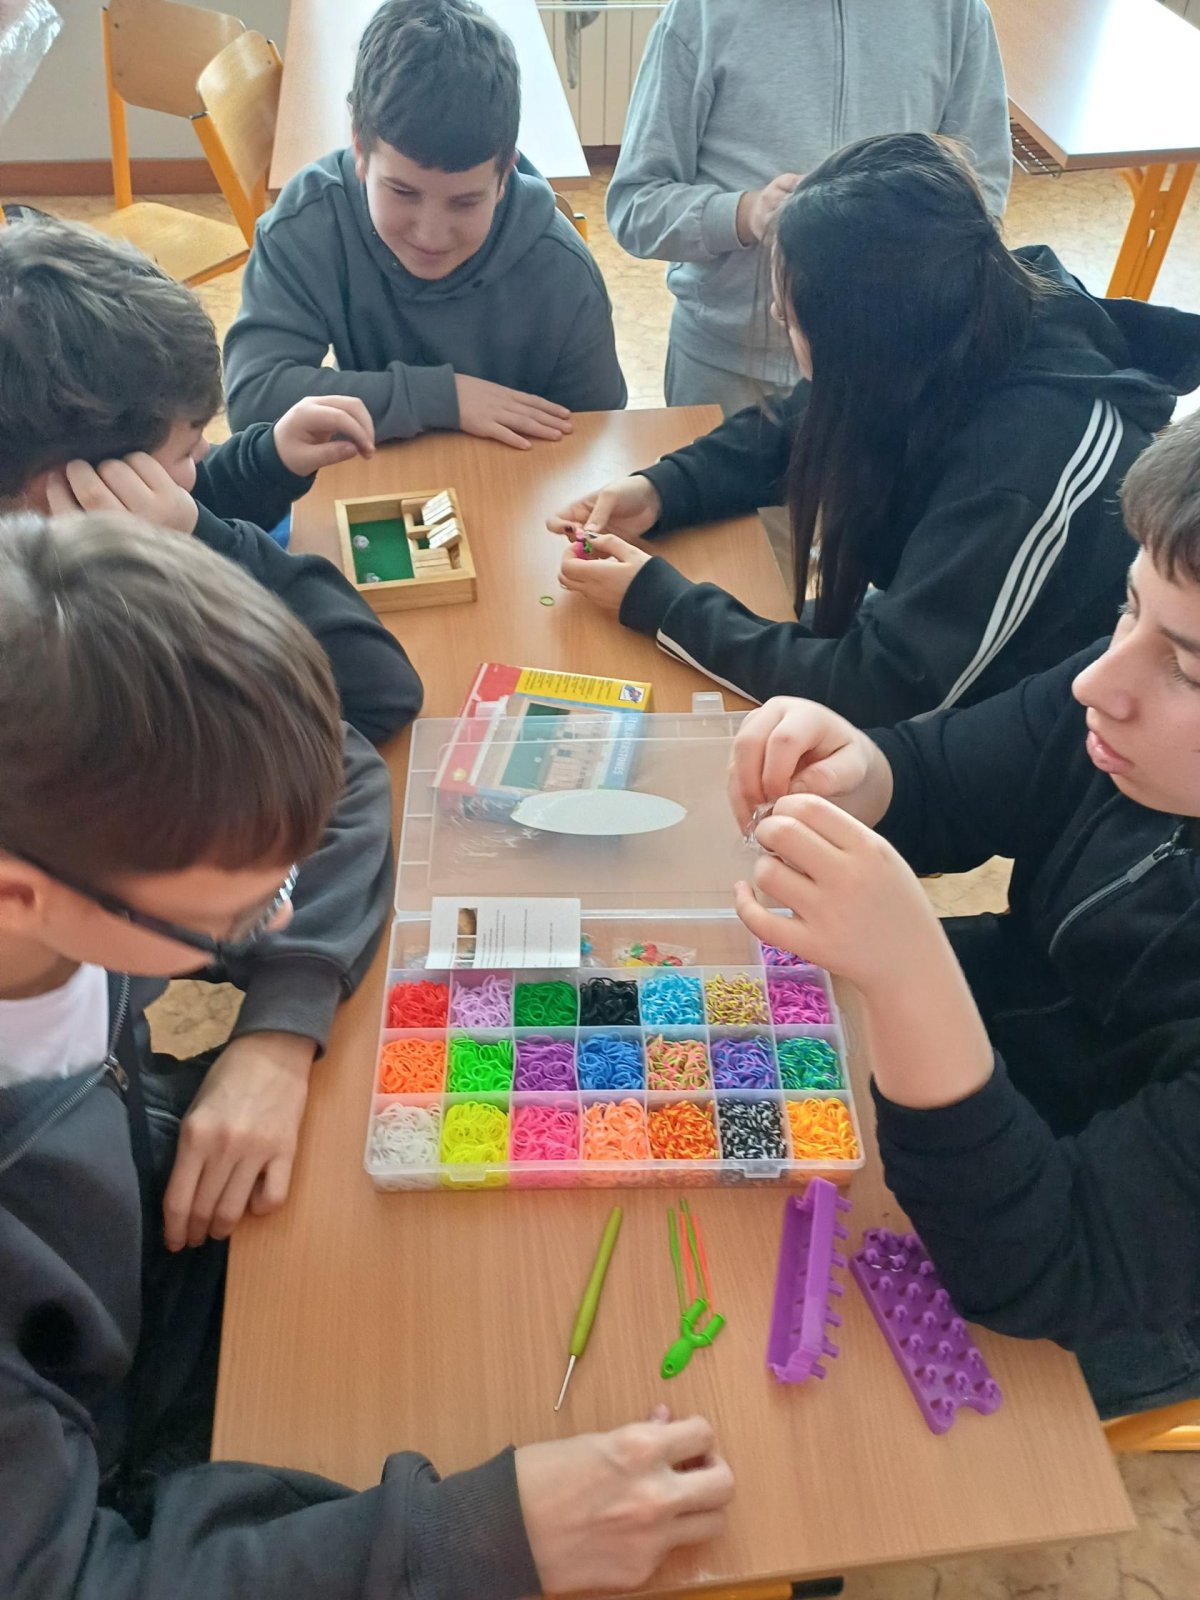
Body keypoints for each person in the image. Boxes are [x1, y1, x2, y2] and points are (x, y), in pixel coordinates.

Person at [0, 513, 734, 1597]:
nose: (278, 918)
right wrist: (469, 1539)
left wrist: (277, 1025)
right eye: (237, 916)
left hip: (144, 1242)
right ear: (21, 897)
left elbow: (336, 773)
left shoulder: (69, 855)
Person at [726, 410, 1200, 1419]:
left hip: (1122, 1289)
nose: (1098, 681)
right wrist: (863, 769)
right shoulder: (1122, 709)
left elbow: (1046, 1264)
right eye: (1128, 609)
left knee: (835, 1423)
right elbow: (955, 772)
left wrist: (909, 980)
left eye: (1189, 668)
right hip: (1011, 1072)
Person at [551, 134, 1200, 726]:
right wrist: (663, 488)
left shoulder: (1024, 471)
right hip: (928, 642)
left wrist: (660, 603)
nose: (777, 315)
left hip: (1014, 730)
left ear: (865, 338)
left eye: (792, 316)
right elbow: (811, 419)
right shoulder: (955, 312)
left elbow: (886, 689)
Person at [0, 217, 422, 747]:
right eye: (187, 448)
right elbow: (380, 689)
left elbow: (179, 492)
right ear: (79, 491)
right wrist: (204, 537)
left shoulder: (35, 497)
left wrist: (266, 460)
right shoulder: (56, 642)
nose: (204, 453)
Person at [224, 0, 626, 451]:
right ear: (360, 151)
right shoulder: (309, 222)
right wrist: (442, 397)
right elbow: (254, 397)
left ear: (504, 175)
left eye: (466, 201)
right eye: (402, 192)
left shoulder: (562, 270)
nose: (430, 235)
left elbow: (599, 436)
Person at [606, 0, 1011, 413]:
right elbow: (636, 204)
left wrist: (904, 241)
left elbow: (981, 191)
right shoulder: (700, 13)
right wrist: (744, 215)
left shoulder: (955, 12)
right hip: (725, 365)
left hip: (891, 369)